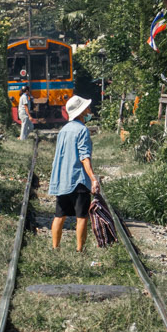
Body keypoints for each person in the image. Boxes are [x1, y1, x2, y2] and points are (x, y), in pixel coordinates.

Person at [49, 95, 99, 250]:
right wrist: (93, 178)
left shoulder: (63, 130)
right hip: (78, 180)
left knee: (59, 215)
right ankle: (79, 250)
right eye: (86, 108)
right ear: (81, 112)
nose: (89, 110)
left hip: (63, 180)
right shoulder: (82, 130)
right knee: (81, 217)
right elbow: (84, 157)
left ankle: (55, 248)